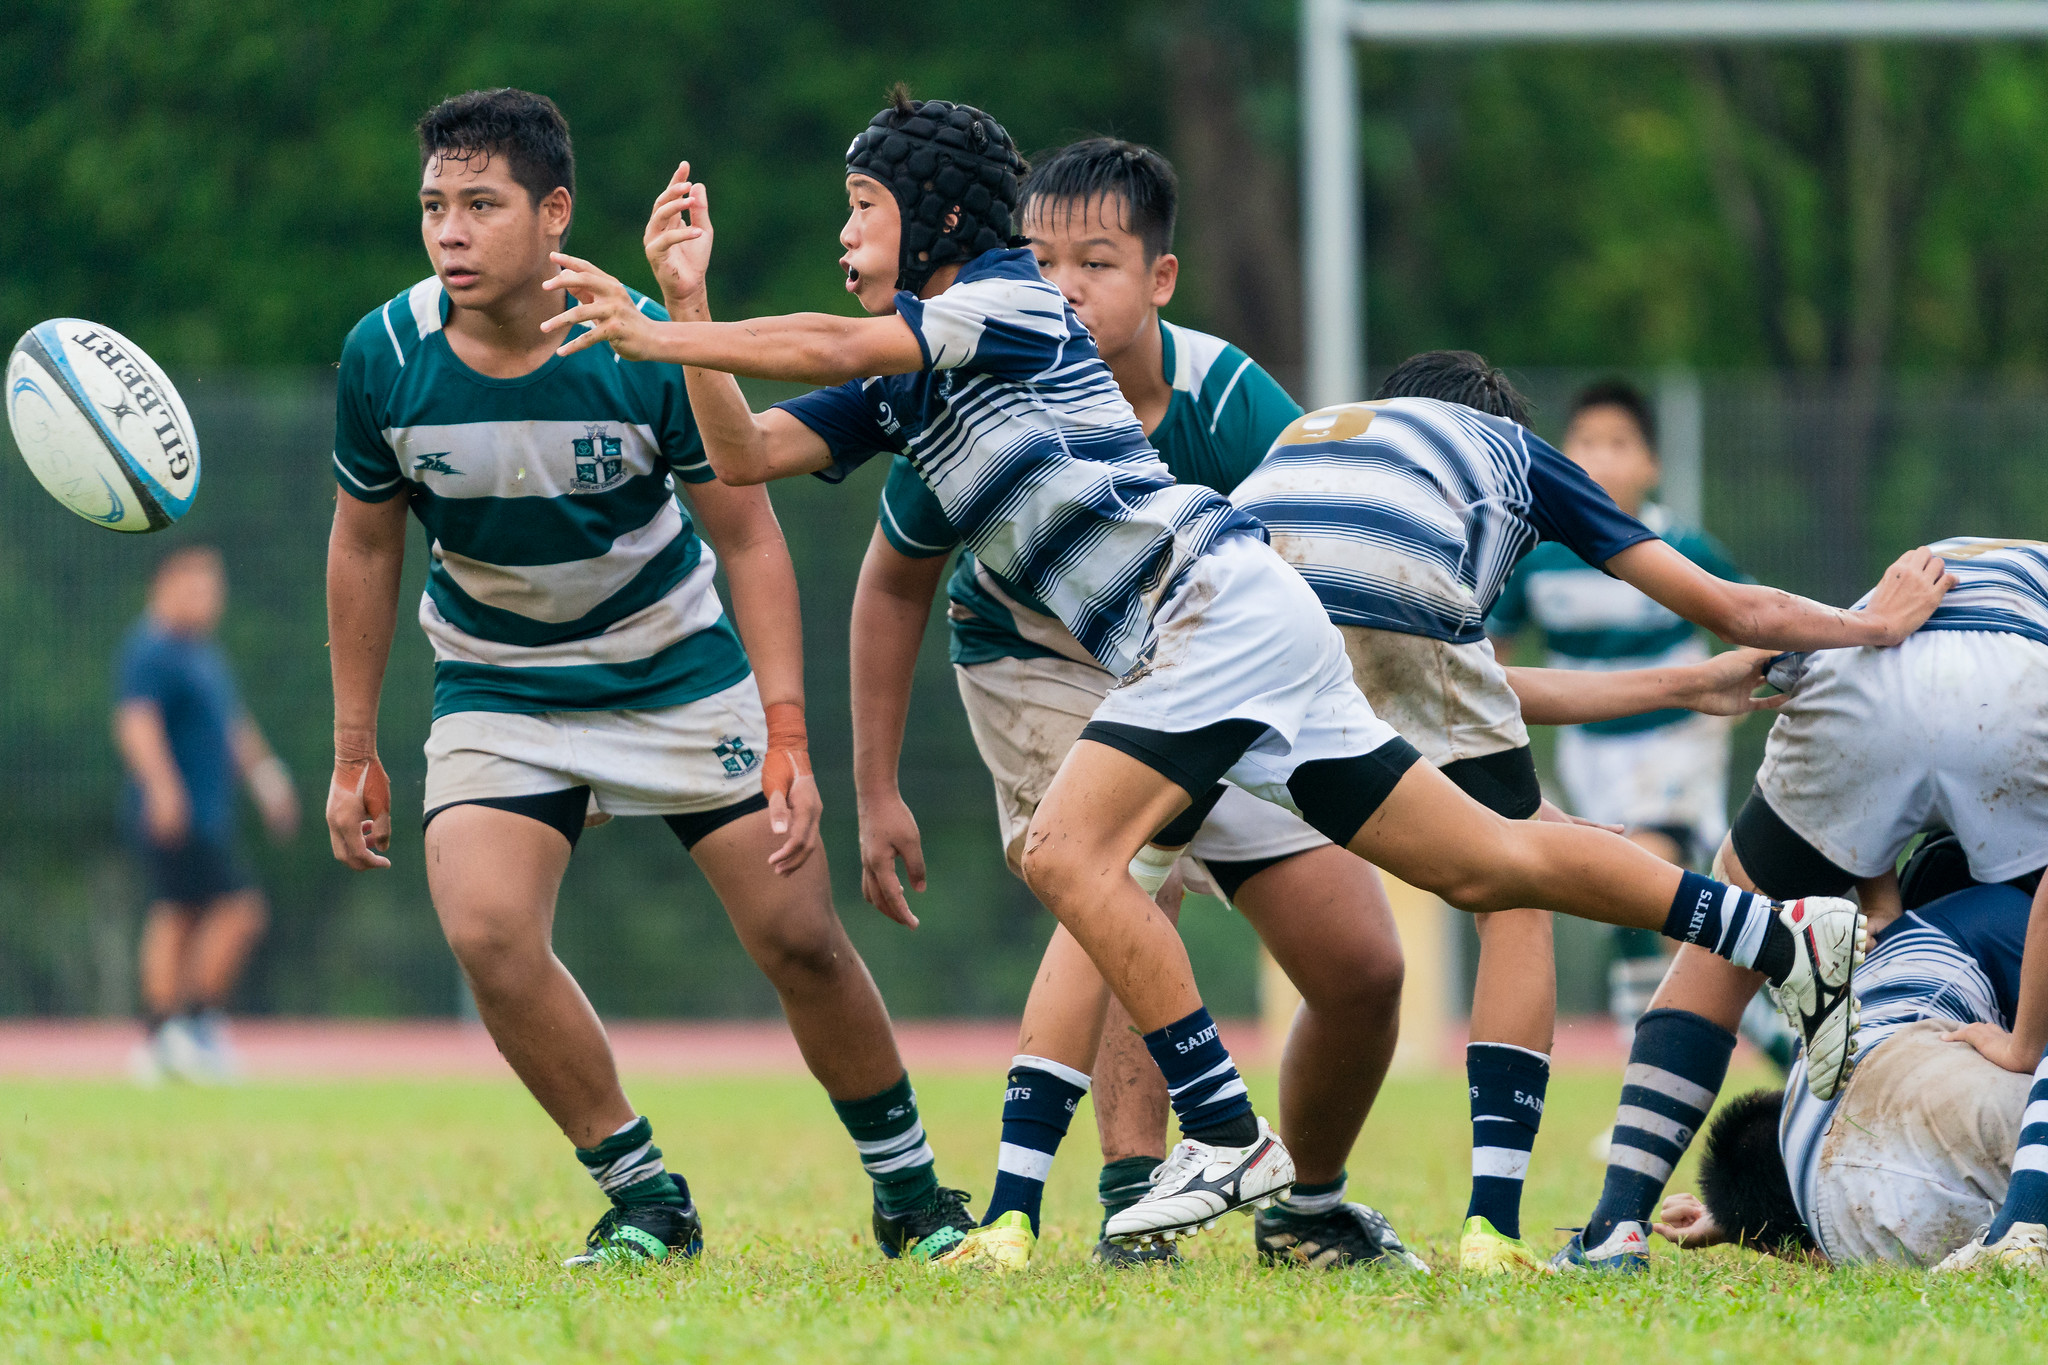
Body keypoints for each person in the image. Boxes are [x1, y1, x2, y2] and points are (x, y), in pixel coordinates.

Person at [542, 87, 1943, 1252]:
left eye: (861, 208)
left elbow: (849, 338)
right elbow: (743, 454)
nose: (844, 233)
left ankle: (1225, 1137)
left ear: (937, 219)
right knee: (1485, 857)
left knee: (1069, 853)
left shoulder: (1007, 299)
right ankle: (1783, 937)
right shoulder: (918, 369)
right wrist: (688, 303)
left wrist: (667, 334)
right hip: (1236, 626)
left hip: (1209, 618)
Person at [323, 88, 972, 1269]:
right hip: (498, 687)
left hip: (675, 674)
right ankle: (644, 1198)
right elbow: (364, 546)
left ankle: (913, 1196)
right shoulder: (384, 357)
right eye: (433, 208)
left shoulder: (636, 349)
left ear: (553, 212)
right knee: (486, 932)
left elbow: (751, 538)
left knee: (799, 939)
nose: (450, 232)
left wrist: (785, 733)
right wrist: (351, 748)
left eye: (480, 204)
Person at [1228, 352, 1954, 1271]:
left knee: (1112, 864)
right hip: (1426, 657)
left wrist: (1687, 685)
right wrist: (1872, 626)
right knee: (1521, 881)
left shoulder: (1323, 442)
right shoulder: (1503, 460)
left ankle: (1128, 1172)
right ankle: (1495, 1218)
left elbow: (1470, 683)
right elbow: (1736, 607)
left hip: (1231, 615)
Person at [848, 137, 1417, 1272]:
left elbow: (1325, 570)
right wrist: (872, 787)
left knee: (1363, 966)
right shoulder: (976, 375)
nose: (1059, 287)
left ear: (1160, 277)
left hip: (1208, 661)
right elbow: (890, 581)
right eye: (1040, 257)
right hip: (1035, 659)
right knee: (1121, 871)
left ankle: (1304, 1203)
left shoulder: (1226, 400)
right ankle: (1130, 1195)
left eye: (1095, 262)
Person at [1556, 537, 2048, 1271]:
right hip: (2018, 672)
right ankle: (2025, 1224)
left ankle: (1615, 1224)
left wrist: (1877, 903)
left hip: (1859, 666)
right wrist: (2019, 1045)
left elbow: (1882, 801)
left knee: (1721, 950)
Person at [1488, 379, 1781, 1053]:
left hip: (1672, 745)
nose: (1603, 459)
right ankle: (1696, 1047)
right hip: (1589, 753)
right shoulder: (1536, 560)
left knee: (1639, 871)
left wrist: (1716, 723)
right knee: (1627, 911)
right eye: (1587, 443)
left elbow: (1751, 626)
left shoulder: (1681, 546)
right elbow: (1489, 663)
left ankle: (1759, 1031)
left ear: (1651, 464)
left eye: (1620, 444)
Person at [1650, 862, 2046, 1269]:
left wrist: (1740, 1219)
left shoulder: (1798, 1119)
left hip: (1852, 1233)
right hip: (1927, 1094)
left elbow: (1800, 1172)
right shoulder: (1996, 911)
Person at [115, 545, 298, 1084]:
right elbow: (135, 723)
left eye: (212, 586)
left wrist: (267, 779)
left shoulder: (202, 653)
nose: (207, 596)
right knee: (230, 910)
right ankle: (183, 1029)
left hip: (210, 813)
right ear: (162, 586)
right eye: (193, 584)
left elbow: (232, 726)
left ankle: (172, 1035)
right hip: (174, 812)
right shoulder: (151, 650)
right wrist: (162, 789)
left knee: (185, 912)